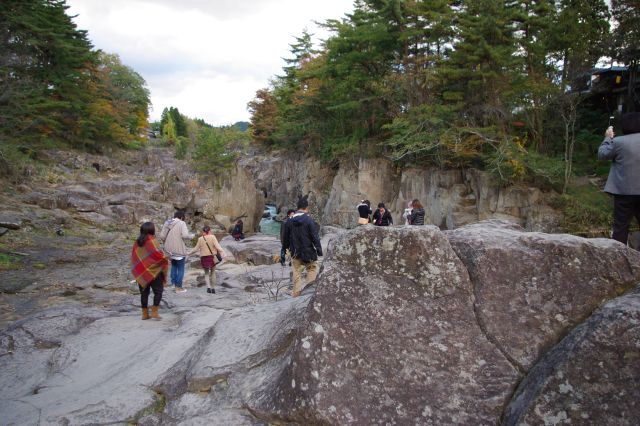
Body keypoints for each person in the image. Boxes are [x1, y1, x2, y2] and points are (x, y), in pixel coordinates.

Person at [598, 112, 640, 246]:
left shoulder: (618, 142)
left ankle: (619, 259)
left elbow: (602, 154)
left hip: (623, 192)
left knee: (621, 227)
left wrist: (607, 138)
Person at [282, 195, 323, 297]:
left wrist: (285, 249)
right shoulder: (309, 220)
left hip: (295, 251)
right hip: (308, 251)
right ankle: (308, 293)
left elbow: (285, 238)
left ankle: (296, 293)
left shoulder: (289, 221)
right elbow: (315, 237)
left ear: (297, 207)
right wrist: (319, 250)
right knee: (311, 269)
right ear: (306, 208)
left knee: (296, 271)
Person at [131, 222, 168, 320]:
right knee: (158, 291)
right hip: (155, 272)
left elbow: (135, 258)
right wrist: (165, 258)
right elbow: (159, 256)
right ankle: (154, 312)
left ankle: (144, 314)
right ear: (152, 230)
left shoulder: (136, 242)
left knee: (144, 293)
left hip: (142, 272)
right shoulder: (153, 241)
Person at [160, 210, 192, 293]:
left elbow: (162, 236)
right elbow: (185, 235)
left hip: (168, 250)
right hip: (178, 250)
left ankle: (173, 284)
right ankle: (178, 287)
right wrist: (190, 236)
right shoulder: (182, 223)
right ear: (181, 217)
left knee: (173, 265)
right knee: (181, 268)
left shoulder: (167, 222)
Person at [189, 225, 224, 294]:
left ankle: (208, 288)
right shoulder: (213, 237)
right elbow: (218, 246)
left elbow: (196, 249)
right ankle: (213, 288)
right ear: (209, 231)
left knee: (206, 273)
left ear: (203, 231)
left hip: (204, 257)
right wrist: (222, 252)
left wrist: (189, 253)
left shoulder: (200, 239)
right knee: (213, 272)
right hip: (212, 257)